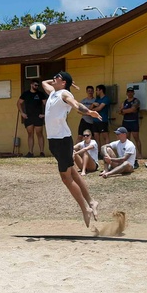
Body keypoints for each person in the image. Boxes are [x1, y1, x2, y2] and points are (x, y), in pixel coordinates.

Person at [40, 71, 102, 226]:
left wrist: (88, 112)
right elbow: (44, 83)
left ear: (64, 83)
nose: (54, 79)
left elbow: (75, 105)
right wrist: (63, 80)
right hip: (54, 141)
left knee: (66, 178)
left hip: (62, 140)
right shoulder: (53, 92)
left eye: (58, 77)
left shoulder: (64, 94)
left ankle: (85, 208)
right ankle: (91, 202)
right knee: (72, 172)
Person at [17, 80, 46, 157]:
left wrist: (44, 114)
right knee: (30, 134)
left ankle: (42, 152)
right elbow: (19, 103)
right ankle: (30, 152)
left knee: (39, 133)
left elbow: (47, 104)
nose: (36, 87)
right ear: (31, 85)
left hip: (38, 116)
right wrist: (22, 113)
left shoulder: (40, 94)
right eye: (35, 85)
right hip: (28, 116)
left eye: (37, 85)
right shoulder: (25, 94)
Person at [119, 86, 142, 162]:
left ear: (133, 93)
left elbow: (133, 109)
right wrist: (126, 111)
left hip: (134, 122)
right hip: (126, 122)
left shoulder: (136, 101)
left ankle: (140, 154)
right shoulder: (124, 102)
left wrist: (124, 111)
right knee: (127, 139)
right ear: (126, 93)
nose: (130, 93)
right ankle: (127, 155)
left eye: (131, 92)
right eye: (128, 92)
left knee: (136, 138)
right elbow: (120, 111)